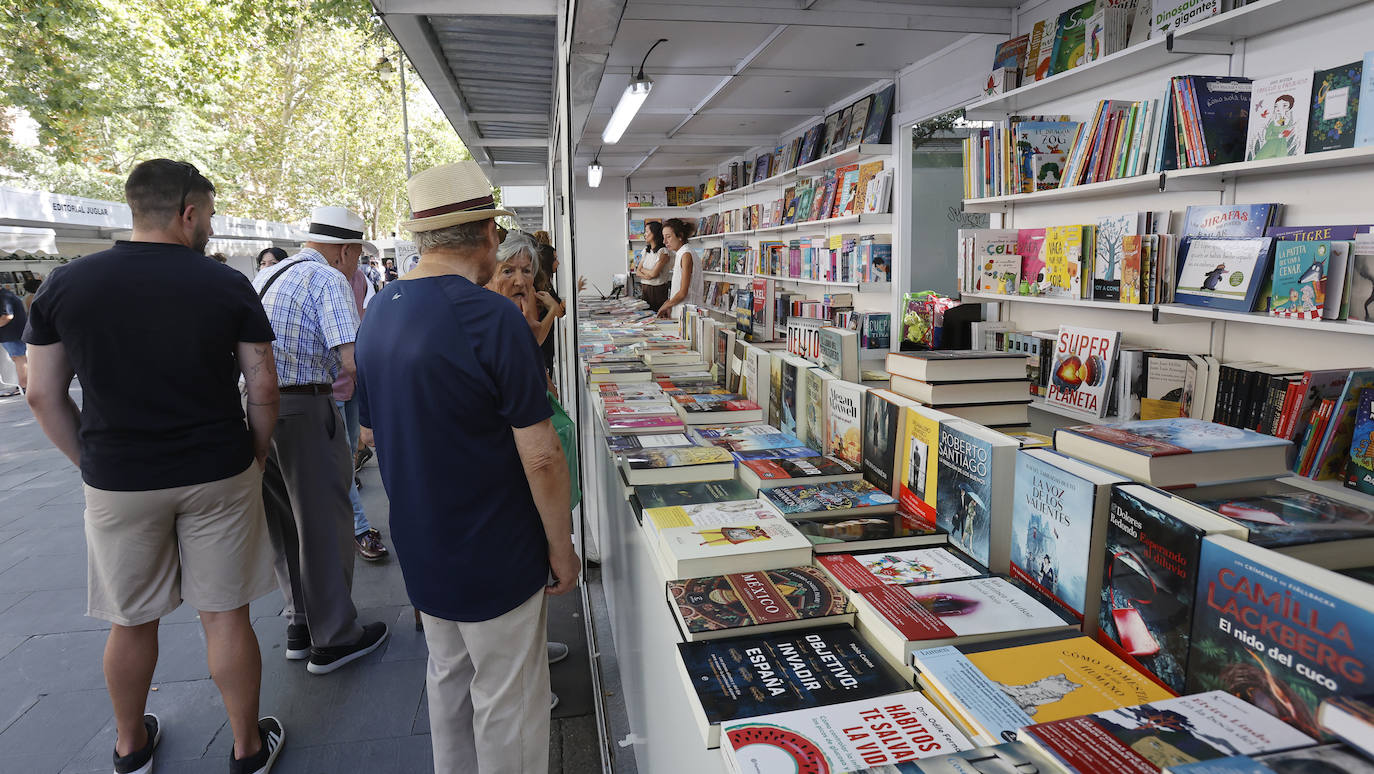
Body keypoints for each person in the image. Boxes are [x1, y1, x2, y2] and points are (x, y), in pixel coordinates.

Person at [22, 158, 285, 774]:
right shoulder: (224, 284)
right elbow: (264, 386)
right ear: (188, 212)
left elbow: (40, 392)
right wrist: (255, 450)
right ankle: (248, 749)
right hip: (218, 468)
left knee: (130, 619)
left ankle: (129, 745)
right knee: (225, 615)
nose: (211, 229)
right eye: (211, 216)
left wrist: (89, 460)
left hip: (119, 476)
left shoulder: (66, 285)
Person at [356, 161, 579, 774]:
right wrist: (560, 547)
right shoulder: (491, 318)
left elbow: (372, 428)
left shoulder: (380, 309)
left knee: (448, 675)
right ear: (485, 234)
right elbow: (540, 453)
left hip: (422, 537)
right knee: (509, 695)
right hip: (494, 542)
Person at [252, 206, 388, 676]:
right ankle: (334, 637)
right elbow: (352, 360)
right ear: (347, 251)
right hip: (305, 409)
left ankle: (300, 624)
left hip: (258, 412)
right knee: (324, 524)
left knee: (282, 524)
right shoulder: (328, 279)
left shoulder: (266, 277)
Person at [330, 241, 387, 561]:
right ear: (344, 251)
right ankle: (359, 528)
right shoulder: (324, 280)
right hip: (331, 389)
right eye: (356, 254)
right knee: (341, 462)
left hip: (353, 385)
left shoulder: (359, 280)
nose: (360, 261)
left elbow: (365, 329)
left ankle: (348, 521)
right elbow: (349, 352)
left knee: (348, 459)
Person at [658, 217, 703, 318]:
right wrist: (670, 303)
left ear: (680, 236)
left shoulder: (686, 254)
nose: (664, 241)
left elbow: (683, 292)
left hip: (688, 313)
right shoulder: (681, 253)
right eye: (664, 237)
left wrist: (666, 305)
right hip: (682, 311)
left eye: (668, 237)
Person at [535, 243, 566, 377]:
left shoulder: (546, 283)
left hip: (547, 340)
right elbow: (559, 311)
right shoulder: (540, 286)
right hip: (543, 344)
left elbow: (559, 309)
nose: (558, 263)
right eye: (555, 259)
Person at [635, 221, 672, 312]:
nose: (645, 234)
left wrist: (643, 270)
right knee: (645, 317)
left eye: (647, 232)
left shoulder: (663, 252)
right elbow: (637, 271)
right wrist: (648, 275)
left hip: (658, 291)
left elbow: (654, 274)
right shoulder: (646, 251)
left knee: (657, 317)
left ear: (655, 233)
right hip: (645, 289)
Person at [0, 286, 27, 395]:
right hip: (12, 334)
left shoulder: (4, 296)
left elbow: (7, 316)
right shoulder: (5, 295)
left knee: (19, 359)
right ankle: (24, 385)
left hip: (13, 334)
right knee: (18, 359)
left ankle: (25, 386)